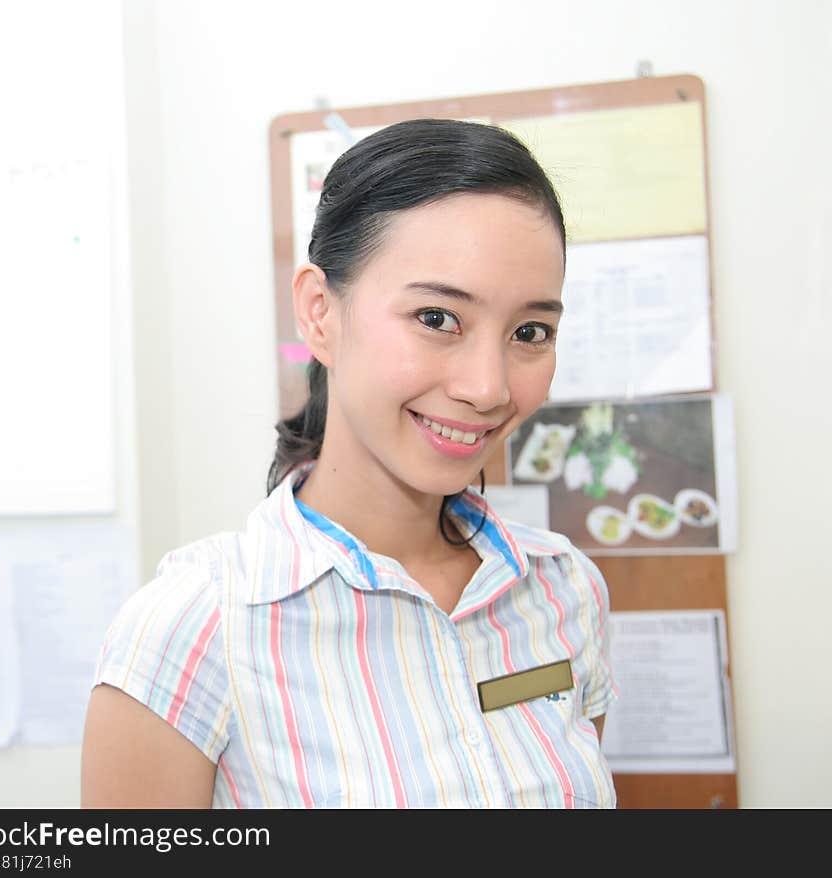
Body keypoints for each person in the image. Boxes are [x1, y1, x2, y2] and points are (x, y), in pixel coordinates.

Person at [81, 118, 618, 809]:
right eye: (436, 317)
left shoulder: (565, 590)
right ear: (318, 312)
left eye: (530, 332)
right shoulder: (194, 627)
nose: (489, 385)